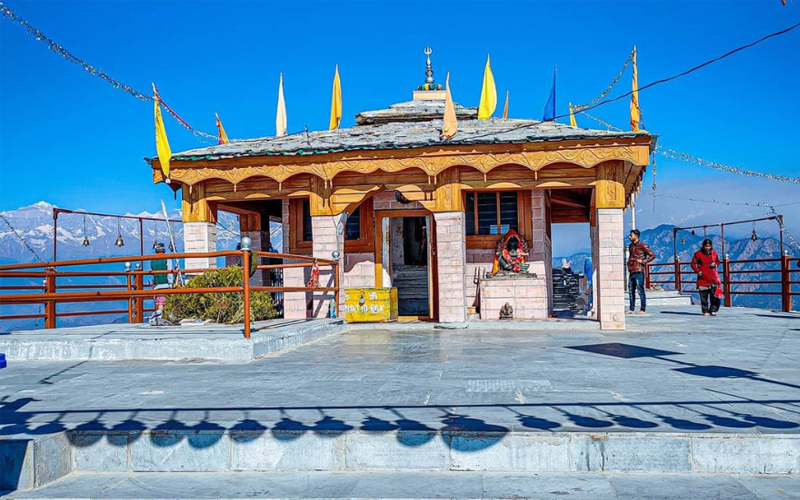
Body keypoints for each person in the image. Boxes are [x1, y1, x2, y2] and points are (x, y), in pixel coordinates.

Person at [690, 238, 723, 316]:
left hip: (713, 278)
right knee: (703, 296)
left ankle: (713, 309)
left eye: (709, 246)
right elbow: (693, 264)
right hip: (703, 278)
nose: (707, 248)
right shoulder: (698, 254)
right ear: (703, 246)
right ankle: (705, 310)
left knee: (715, 296)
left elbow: (718, 261)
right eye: (706, 246)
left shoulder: (714, 253)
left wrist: (715, 264)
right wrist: (698, 271)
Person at [627, 229, 656, 315]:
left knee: (640, 290)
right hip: (632, 270)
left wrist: (643, 261)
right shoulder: (630, 246)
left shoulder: (643, 246)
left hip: (639, 270)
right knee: (631, 290)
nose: (629, 237)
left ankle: (643, 309)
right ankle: (631, 308)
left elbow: (652, 255)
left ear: (636, 236)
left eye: (631, 235)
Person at [149, 242, 174, 325]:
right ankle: (165, 317)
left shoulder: (152, 260)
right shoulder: (167, 258)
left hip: (157, 285)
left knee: (160, 302)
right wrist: (171, 283)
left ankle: (159, 316)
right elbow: (169, 271)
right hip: (166, 284)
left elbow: (153, 272)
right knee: (167, 302)